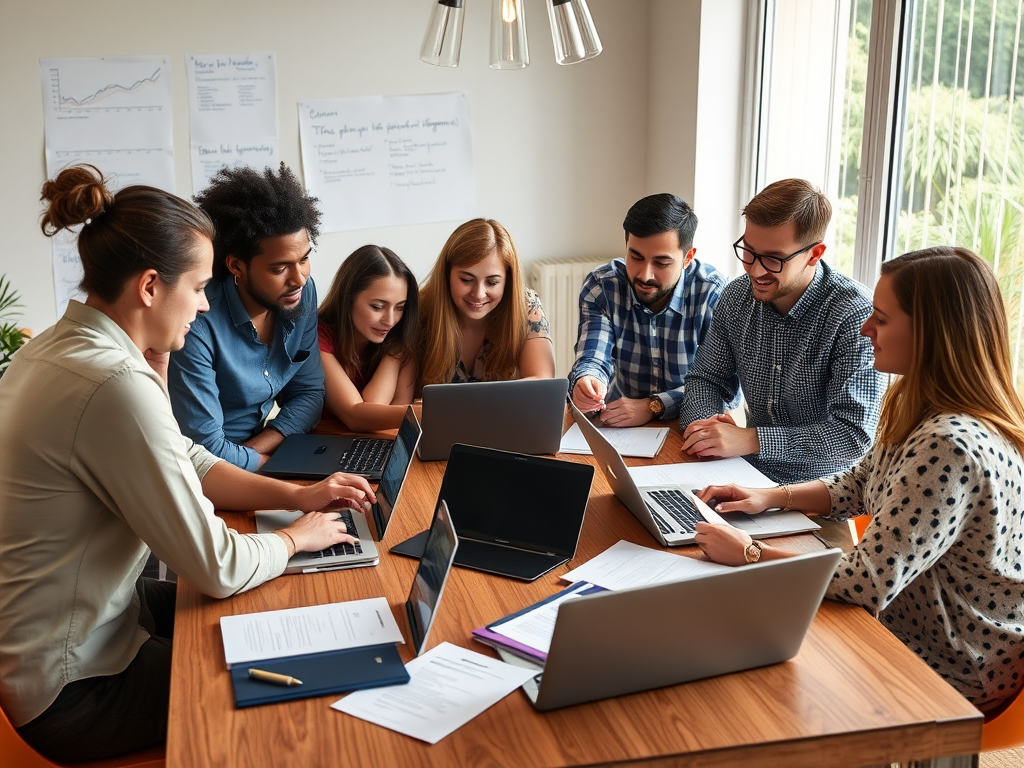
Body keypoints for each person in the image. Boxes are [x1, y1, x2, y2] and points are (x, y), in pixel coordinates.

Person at [0, 165, 375, 762]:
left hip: (82, 628)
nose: (204, 306)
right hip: (75, 687)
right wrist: (297, 539)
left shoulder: (58, 347)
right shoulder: (112, 381)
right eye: (198, 287)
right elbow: (217, 564)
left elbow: (184, 457)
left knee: (266, 621)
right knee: (297, 685)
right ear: (151, 286)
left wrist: (296, 498)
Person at [694, 246, 1024, 716]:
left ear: (931, 334)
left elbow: (866, 582)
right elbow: (859, 483)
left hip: (954, 663)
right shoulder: (917, 399)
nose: (866, 328)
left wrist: (749, 553)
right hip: (910, 621)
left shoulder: (950, 445)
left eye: (882, 319)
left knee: (751, 673)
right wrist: (767, 497)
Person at [678, 178, 884, 483]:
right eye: (748, 251)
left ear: (815, 254)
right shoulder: (736, 297)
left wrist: (751, 440)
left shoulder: (854, 314)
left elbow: (852, 436)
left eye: (773, 259)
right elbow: (707, 379)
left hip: (823, 495)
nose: (755, 270)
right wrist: (705, 430)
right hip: (741, 474)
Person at [168, 163, 325, 471]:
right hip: (202, 476)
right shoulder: (197, 323)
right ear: (236, 266)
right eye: (279, 269)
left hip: (252, 458)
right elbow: (205, 449)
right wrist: (270, 467)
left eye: (304, 259)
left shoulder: (300, 295)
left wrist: (260, 450)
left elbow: (310, 394)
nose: (299, 279)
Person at [570, 193, 727, 426]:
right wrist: (588, 379)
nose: (645, 275)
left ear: (688, 257)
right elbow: (593, 357)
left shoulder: (713, 295)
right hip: (619, 422)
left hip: (690, 425)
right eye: (636, 257)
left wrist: (654, 405)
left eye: (662, 263)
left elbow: (719, 389)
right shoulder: (602, 287)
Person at [419, 218, 555, 385]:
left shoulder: (527, 307)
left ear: (508, 281)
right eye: (467, 280)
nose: (478, 294)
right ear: (447, 274)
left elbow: (543, 383)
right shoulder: (421, 309)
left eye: (492, 283)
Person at [317, 245, 418, 431]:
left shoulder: (400, 340)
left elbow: (390, 422)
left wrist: (393, 355)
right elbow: (357, 415)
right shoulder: (317, 338)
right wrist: (425, 414)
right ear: (348, 299)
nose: (390, 320)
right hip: (319, 446)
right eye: (378, 307)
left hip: (372, 446)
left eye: (400, 307)